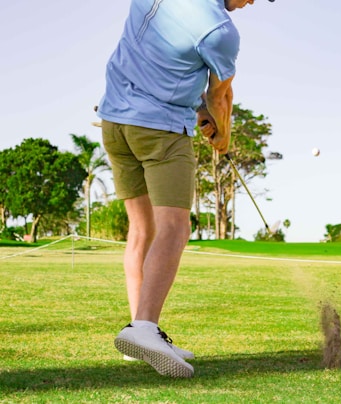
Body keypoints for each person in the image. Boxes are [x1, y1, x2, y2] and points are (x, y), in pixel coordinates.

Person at [97, 0, 275, 378]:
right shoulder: (221, 31)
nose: (252, 2)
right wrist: (223, 136)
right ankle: (144, 327)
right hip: (159, 130)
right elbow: (219, 96)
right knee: (175, 227)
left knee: (141, 231)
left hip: (114, 122)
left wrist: (201, 113)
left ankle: (138, 335)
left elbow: (163, 67)